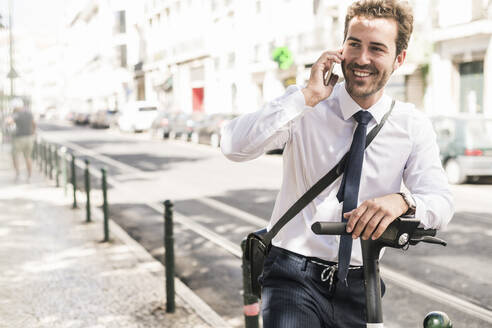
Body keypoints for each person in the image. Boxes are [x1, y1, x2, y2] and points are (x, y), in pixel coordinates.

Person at [220, 0, 454, 327]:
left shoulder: (411, 126)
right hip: (291, 275)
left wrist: (403, 201)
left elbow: (441, 202)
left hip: (361, 283)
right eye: (354, 44)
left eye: (377, 48)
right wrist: (304, 97)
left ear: (399, 59)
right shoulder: (306, 106)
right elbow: (232, 145)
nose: (362, 58)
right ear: (340, 48)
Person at [7, 98, 36, 182]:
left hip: (18, 138)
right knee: (28, 157)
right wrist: (33, 132)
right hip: (29, 138)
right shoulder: (29, 113)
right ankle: (29, 176)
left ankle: (18, 174)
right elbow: (34, 123)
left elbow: (9, 121)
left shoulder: (16, 114)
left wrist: (10, 123)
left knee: (15, 157)